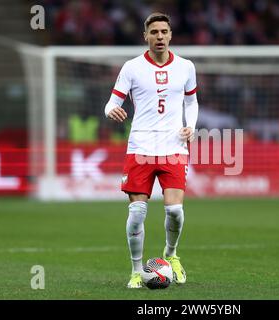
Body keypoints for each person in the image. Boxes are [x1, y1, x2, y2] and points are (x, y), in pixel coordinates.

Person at [104, 13, 199, 288]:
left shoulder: (186, 67)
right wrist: (112, 111)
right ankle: (136, 270)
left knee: (175, 212)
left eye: (164, 32)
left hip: (174, 146)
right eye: (154, 32)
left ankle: (171, 255)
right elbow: (111, 103)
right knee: (136, 213)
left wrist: (190, 126)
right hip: (140, 147)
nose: (159, 36)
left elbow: (192, 103)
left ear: (170, 35)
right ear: (145, 36)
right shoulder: (132, 68)